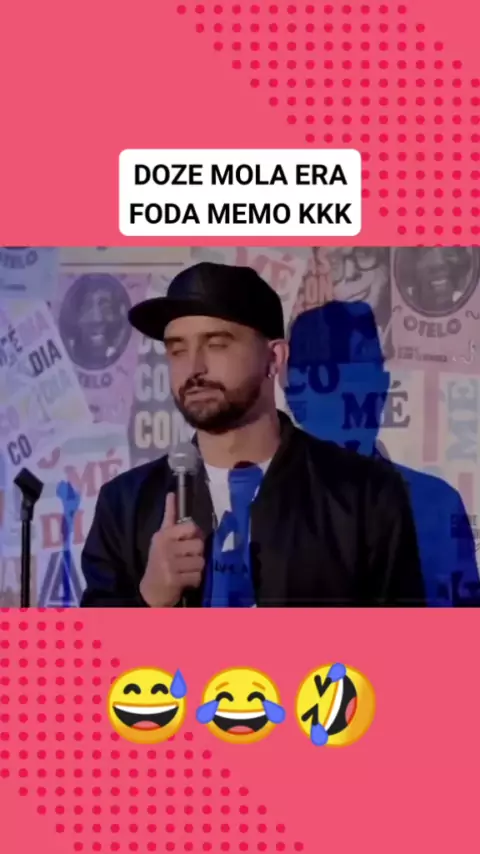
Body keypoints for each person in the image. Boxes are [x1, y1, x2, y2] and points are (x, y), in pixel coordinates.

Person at [80, 261, 425, 608]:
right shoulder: (125, 505)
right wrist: (150, 600)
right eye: (177, 349)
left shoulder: (365, 496)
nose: (193, 368)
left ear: (274, 358)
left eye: (217, 344)